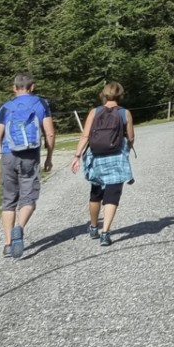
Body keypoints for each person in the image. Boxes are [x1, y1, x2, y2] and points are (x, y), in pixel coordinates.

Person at [0, 73, 55, 260]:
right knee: (29, 197)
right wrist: (49, 157)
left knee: (8, 199)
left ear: (14, 87)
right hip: (30, 156)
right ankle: (20, 227)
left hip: (9, 155)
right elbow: (49, 134)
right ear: (32, 87)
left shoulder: (5, 107)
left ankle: (8, 244)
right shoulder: (41, 104)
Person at [70, 82, 135, 246]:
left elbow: (85, 136)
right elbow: (131, 137)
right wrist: (128, 146)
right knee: (112, 195)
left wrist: (77, 156)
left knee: (96, 193)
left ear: (104, 95)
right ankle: (105, 232)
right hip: (116, 157)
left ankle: (93, 227)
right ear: (121, 95)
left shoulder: (95, 112)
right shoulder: (124, 113)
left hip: (96, 157)